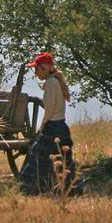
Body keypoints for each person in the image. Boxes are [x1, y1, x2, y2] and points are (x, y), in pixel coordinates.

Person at [18, 52, 78, 195]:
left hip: (52, 127)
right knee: (62, 160)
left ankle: (32, 190)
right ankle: (65, 189)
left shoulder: (51, 83)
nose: (36, 73)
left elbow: (49, 109)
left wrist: (42, 125)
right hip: (61, 126)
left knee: (37, 158)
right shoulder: (56, 81)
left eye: (37, 69)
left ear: (45, 68)